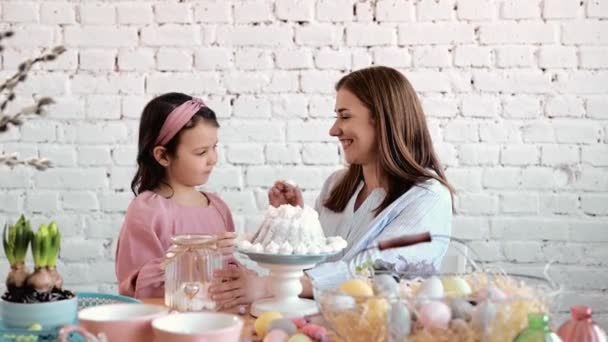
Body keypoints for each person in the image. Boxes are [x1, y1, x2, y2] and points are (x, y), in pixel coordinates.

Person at [209, 66, 454, 308]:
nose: (334, 130)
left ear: (382, 120)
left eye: (345, 116)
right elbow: (314, 266)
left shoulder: (428, 198)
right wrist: (298, 224)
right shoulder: (336, 186)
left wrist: (269, 286)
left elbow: (374, 269)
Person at [115, 92, 236, 299]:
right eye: (201, 152)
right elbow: (136, 286)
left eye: (214, 147)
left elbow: (228, 271)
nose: (213, 159)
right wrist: (198, 257)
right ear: (163, 155)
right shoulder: (148, 210)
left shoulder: (218, 207)